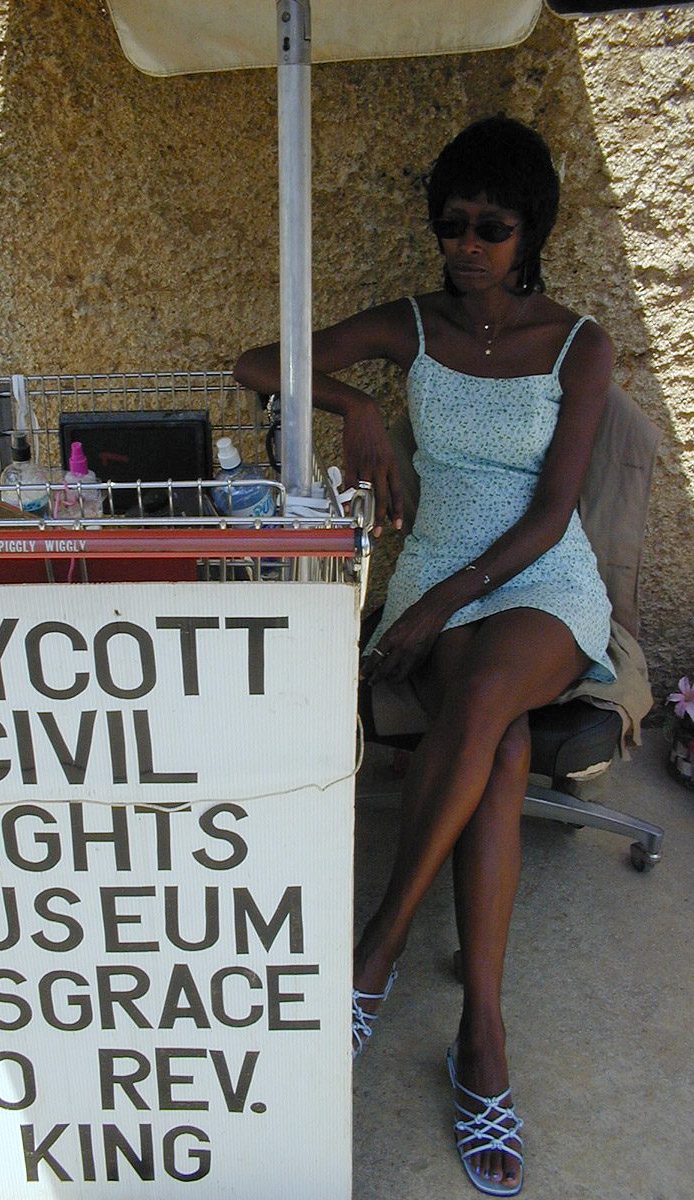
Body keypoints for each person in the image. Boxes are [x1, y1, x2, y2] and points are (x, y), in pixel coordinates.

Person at [233, 116, 615, 1198]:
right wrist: (353, 402)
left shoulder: (581, 344)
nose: (467, 244)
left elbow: (549, 515)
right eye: (451, 225)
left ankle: (376, 951)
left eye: (490, 227)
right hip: (435, 573)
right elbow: (256, 363)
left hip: (534, 581)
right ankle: (481, 1041)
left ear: (529, 230)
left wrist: (439, 602)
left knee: (490, 690)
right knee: (490, 751)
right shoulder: (411, 325)